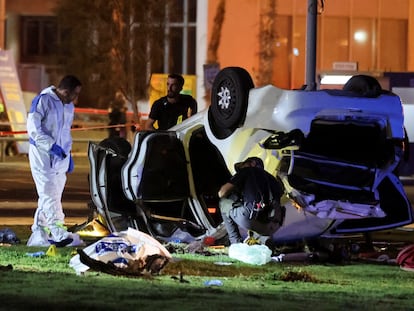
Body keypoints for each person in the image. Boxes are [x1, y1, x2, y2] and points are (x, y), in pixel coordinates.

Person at [26, 75, 83, 247]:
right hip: (42, 157)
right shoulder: (43, 101)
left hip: (61, 159)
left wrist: (68, 153)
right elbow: (33, 130)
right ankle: (58, 232)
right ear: (66, 92)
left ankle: (39, 232)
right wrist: (51, 146)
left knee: (52, 195)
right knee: (49, 195)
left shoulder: (68, 106)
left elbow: (65, 132)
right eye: (75, 94)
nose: (76, 98)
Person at [218, 157, 285, 247]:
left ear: (252, 163)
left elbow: (222, 193)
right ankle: (265, 240)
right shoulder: (272, 179)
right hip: (274, 224)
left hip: (252, 218)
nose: (241, 168)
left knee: (223, 203)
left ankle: (236, 243)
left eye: (243, 165)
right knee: (262, 214)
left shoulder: (247, 170)